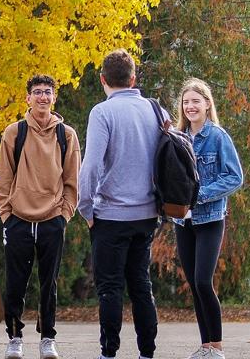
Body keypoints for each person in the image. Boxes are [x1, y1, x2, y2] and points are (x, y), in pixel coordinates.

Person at [77, 50, 162, 359]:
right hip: (147, 214)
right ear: (133, 79)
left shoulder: (102, 112)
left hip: (110, 216)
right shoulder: (156, 110)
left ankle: (109, 352)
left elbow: (91, 166)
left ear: (103, 80)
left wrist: (86, 208)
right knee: (141, 285)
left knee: (110, 288)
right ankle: (147, 352)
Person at [0, 75, 81, 359]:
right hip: (18, 219)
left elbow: (72, 180)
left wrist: (64, 214)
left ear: (54, 98)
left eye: (47, 92)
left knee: (49, 284)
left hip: (52, 218)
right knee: (15, 284)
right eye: (37, 92)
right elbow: (4, 178)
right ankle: (14, 337)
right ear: (28, 98)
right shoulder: (14, 132)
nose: (43, 97)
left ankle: (47, 338)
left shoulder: (66, 135)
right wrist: (6, 214)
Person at [172, 78, 243, 359]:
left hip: (210, 218)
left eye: (195, 101)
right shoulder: (177, 136)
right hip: (182, 220)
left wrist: (199, 194)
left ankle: (217, 347)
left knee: (203, 281)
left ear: (207, 104)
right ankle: (205, 347)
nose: (190, 106)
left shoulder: (218, 136)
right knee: (194, 283)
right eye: (186, 102)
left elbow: (235, 177)